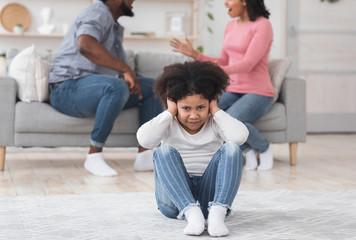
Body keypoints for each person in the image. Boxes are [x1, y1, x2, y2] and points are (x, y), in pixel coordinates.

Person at [49, 0, 162, 177]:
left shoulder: (112, 23)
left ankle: (145, 154)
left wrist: (128, 77)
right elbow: (85, 45)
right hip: (66, 90)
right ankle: (94, 155)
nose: (133, 2)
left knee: (154, 87)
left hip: (92, 89)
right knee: (115, 87)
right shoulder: (98, 12)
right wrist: (125, 69)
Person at [137, 61, 249, 237]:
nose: (194, 115)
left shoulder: (214, 121)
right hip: (173, 203)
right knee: (162, 151)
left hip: (209, 201)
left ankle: (217, 214)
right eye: (186, 108)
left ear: (210, 103)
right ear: (174, 104)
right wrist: (169, 112)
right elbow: (144, 140)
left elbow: (240, 137)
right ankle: (191, 213)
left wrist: (215, 109)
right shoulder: (168, 122)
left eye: (201, 107)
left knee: (232, 148)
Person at [170, 0, 274, 171]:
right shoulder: (230, 26)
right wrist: (196, 55)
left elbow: (248, 63)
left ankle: (264, 148)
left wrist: (218, 71)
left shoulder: (263, 25)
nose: (225, 3)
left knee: (233, 118)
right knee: (211, 114)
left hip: (258, 90)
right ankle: (247, 150)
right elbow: (224, 61)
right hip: (233, 88)